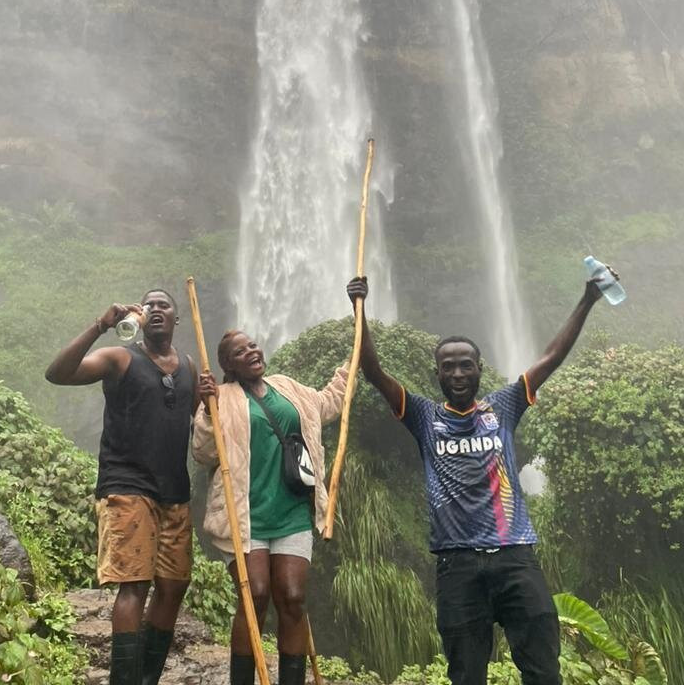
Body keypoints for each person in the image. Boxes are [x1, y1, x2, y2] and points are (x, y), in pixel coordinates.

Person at [346, 271, 617, 685]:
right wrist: (358, 311)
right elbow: (372, 370)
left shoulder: (503, 406)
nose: (457, 374)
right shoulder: (423, 416)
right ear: (436, 373)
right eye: (448, 367)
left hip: (515, 558)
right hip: (457, 566)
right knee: (466, 675)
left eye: (465, 366)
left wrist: (587, 299)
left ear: (479, 370)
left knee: (543, 670)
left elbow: (551, 358)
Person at [45, 290, 198, 685]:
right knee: (135, 585)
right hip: (127, 484)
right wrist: (101, 325)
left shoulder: (191, 368)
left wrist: (210, 395)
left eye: (165, 304)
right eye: (149, 305)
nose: (156, 309)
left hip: (174, 492)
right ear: (140, 318)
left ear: (177, 319)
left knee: (174, 585)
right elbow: (58, 373)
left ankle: (145, 679)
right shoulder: (120, 358)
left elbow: (195, 419)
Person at [193, 330, 348, 685]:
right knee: (255, 595)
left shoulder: (287, 388)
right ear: (228, 364)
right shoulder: (223, 397)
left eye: (252, 346)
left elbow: (326, 403)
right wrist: (206, 408)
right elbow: (203, 454)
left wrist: (353, 363)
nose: (251, 352)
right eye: (240, 351)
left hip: (291, 511)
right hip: (245, 515)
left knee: (293, 598)